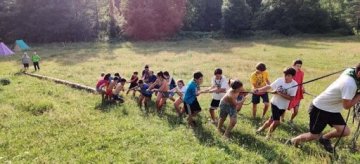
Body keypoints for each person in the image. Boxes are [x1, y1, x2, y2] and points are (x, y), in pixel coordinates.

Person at [288, 64, 360, 152]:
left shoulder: (351, 70)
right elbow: (346, 106)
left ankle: (324, 138)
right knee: (314, 135)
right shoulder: (350, 84)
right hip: (320, 108)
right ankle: (292, 141)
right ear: (359, 73)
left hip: (332, 109)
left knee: (345, 131)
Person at [255, 67, 298, 140]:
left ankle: (261, 129)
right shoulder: (279, 80)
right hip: (275, 103)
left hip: (283, 106)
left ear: (293, 76)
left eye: (288, 76)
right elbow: (269, 86)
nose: (286, 77)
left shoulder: (295, 84)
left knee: (271, 120)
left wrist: (279, 93)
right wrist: (259, 90)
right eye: (285, 75)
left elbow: (291, 98)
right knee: (277, 122)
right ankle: (268, 136)